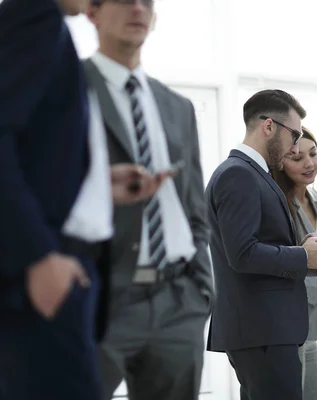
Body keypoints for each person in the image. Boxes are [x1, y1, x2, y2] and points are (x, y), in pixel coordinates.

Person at [0, 0, 168, 399]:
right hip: (45, 271)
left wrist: (97, 185)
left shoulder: (47, 26)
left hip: (59, 268)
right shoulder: (34, 18)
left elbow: (31, 151)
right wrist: (37, 256)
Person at [83, 1, 214, 399]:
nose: (137, 8)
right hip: (97, 299)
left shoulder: (178, 107)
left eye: (147, 2)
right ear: (92, 12)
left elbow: (193, 206)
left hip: (177, 299)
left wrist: (201, 289)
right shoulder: (66, 87)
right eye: (124, 0)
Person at [206, 90, 317, 400]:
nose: (295, 144)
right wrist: (302, 256)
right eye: (294, 134)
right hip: (261, 330)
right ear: (269, 126)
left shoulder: (252, 174)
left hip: (265, 330)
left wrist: (298, 247)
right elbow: (243, 254)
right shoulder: (239, 174)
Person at [272, 127, 317, 400]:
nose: (309, 163)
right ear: (280, 162)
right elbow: (274, 269)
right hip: (287, 332)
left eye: (313, 154)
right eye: (297, 157)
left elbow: (314, 253)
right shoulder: (278, 204)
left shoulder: (313, 197)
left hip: (309, 331)